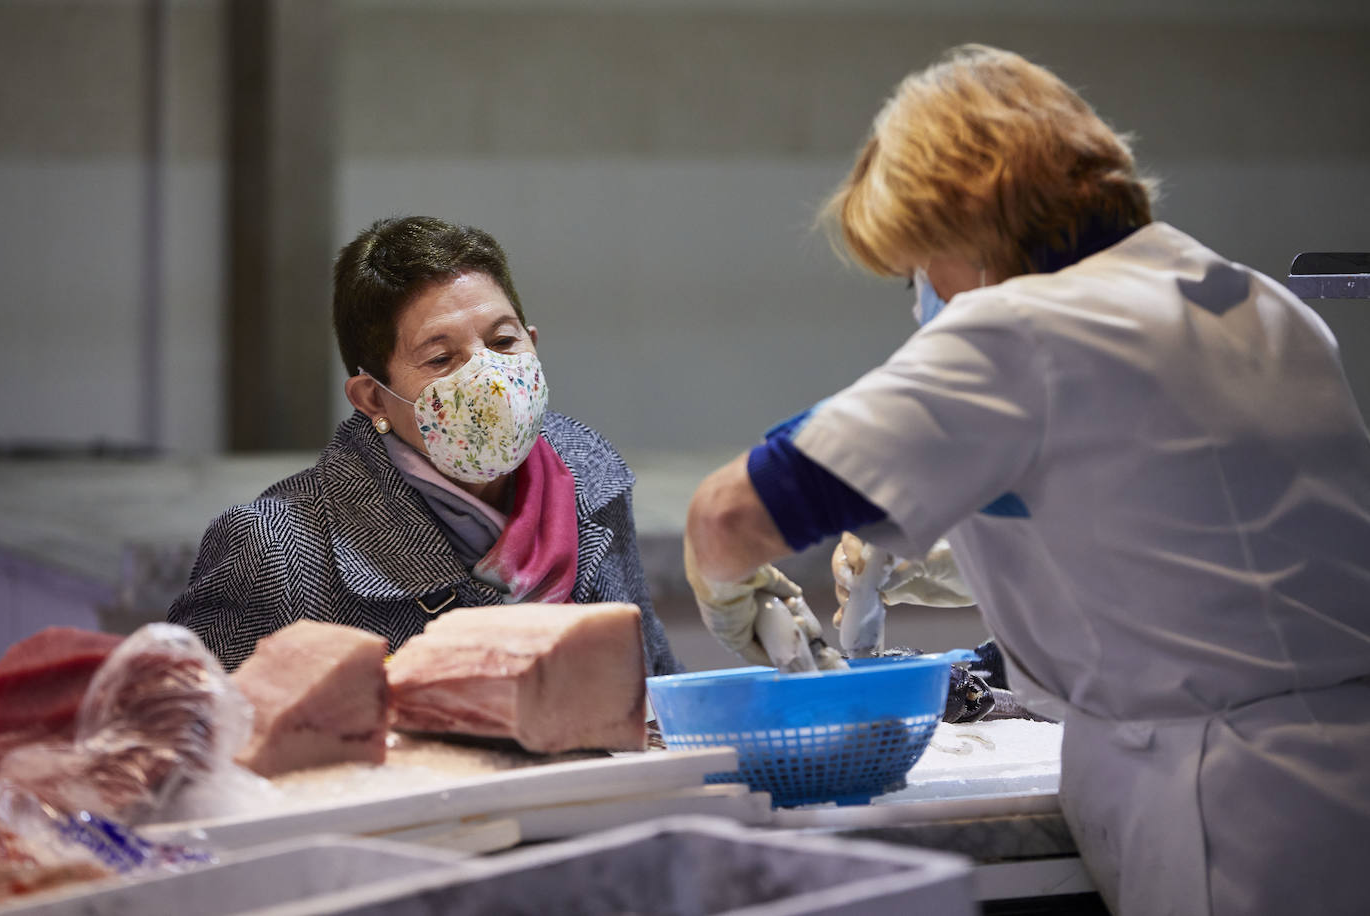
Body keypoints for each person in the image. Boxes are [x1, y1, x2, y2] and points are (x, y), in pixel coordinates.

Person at [683, 45, 1370, 916]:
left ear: (959, 224)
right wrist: (982, 552)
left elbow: (730, 514)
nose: (923, 294)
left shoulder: (1020, 330)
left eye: (915, 266)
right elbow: (1194, 540)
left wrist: (727, 591)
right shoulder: (1256, 300)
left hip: (1227, 812)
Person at [170, 215, 681, 677]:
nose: (490, 379)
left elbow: (655, 686)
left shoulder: (590, 483)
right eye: (440, 359)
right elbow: (193, 744)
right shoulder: (275, 549)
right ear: (372, 397)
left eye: (503, 343)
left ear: (532, 343)